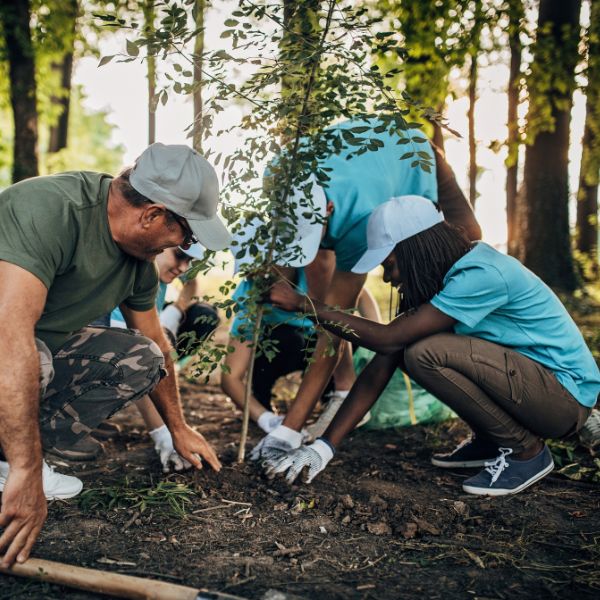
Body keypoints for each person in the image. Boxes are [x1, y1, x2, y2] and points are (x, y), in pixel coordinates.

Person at [265, 195, 600, 496]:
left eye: (389, 264)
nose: (387, 278)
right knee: (415, 349)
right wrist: (324, 448)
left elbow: (388, 338)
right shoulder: (452, 279)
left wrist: (308, 306)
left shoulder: (481, 274)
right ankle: (492, 441)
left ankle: (525, 453)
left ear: (415, 250)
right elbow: (387, 353)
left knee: (425, 353)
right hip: (538, 393)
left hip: (563, 401)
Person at [0, 142, 230, 567]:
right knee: (34, 359)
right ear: (153, 214)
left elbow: (158, 347)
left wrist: (176, 428)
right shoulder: (51, 211)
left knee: (142, 358)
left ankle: (5, 463)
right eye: (186, 233)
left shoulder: (138, 265)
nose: (181, 245)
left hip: (27, 353)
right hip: (8, 346)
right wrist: (27, 470)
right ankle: (18, 465)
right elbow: (9, 342)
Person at [252, 116, 481, 464]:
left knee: (467, 241)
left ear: (328, 209)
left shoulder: (361, 215)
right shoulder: (280, 175)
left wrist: (289, 429)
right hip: (365, 161)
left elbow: (335, 326)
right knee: (320, 287)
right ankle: (343, 392)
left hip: (413, 152)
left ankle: (499, 374)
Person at [65, 243, 221, 469]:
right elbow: (138, 366)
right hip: (84, 346)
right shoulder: (129, 275)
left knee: (202, 315)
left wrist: (175, 311)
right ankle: (69, 421)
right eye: (180, 256)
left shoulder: (161, 266)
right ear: (160, 244)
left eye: (190, 261)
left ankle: (87, 417)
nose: (183, 267)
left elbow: (192, 281)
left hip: (130, 336)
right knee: (144, 355)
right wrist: (165, 435)